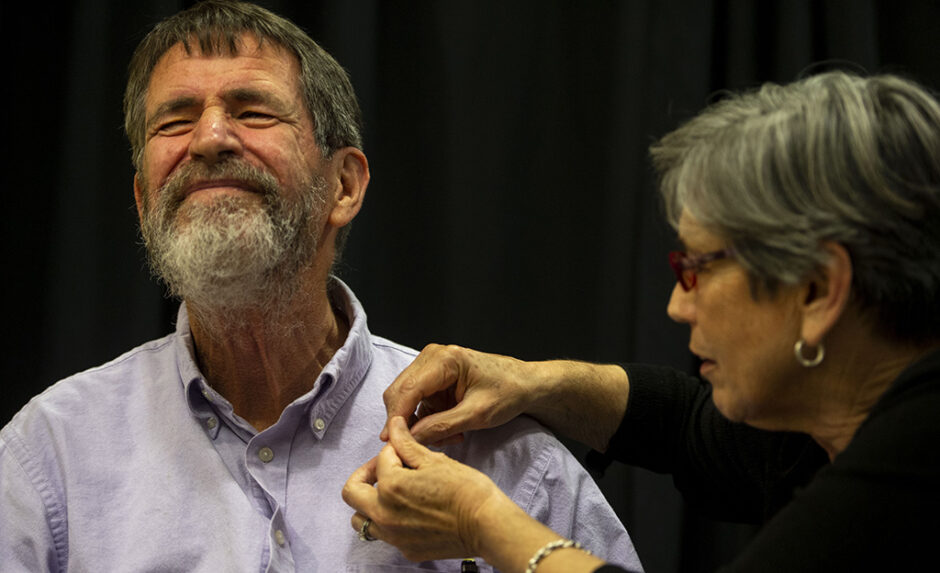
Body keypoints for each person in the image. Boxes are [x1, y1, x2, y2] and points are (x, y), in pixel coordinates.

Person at [0, 2, 643, 571]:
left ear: (345, 186)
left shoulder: (494, 458)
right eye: (174, 120)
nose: (210, 138)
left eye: (252, 110)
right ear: (143, 202)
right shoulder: (49, 457)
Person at [342, 70, 940, 572]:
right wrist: (530, 382)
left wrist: (479, 521)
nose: (678, 306)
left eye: (697, 268)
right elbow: (684, 424)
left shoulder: (919, 451)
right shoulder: (844, 426)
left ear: (816, 290)